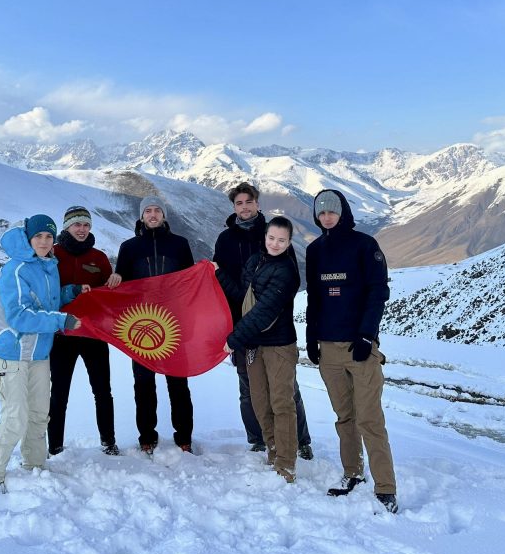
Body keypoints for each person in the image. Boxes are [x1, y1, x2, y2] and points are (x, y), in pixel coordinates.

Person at [305, 189, 399, 514]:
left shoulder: (365, 245)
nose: (327, 216)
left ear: (343, 211)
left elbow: (378, 292)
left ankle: (386, 488)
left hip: (359, 346)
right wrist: (311, 337)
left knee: (370, 419)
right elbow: (315, 298)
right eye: (322, 212)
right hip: (328, 349)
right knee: (345, 417)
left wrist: (365, 336)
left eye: (332, 211)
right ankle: (353, 473)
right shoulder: (315, 250)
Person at [213, 182, 313, 459]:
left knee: (285, 388)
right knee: (249, 386)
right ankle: (259, 439)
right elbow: (225, 285)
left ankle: (300, 440)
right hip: (239, 322)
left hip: (274, 325)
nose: (244, 207)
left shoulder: (272, 234)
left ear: (258, 203)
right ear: (233, 207)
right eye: (239, 203)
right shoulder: (225, 240)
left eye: (249, 202)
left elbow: (286, 280)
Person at [0, 214, 83, 491]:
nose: (43, 241)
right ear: (29, 238)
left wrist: (70, 292)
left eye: (48, 236)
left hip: (38, 354)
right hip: (12, 354)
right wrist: (61, 321)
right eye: (38, 236)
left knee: (39, 414)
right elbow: (20, 316)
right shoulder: (16, 269)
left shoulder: (48, 266)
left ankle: (35, 466)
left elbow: (44, 300)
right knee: (15, 417)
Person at [221, 216, 301, 482]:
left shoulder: (286, 270)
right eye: (271, 238)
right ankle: (273, 451)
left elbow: (263, 312)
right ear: (265, 237)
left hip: (278, 346)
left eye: (281, 240)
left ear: (289, 242)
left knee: (281, 404)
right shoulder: (256, 261)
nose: (275, 244)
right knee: (260, 402)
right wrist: (217, 273)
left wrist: (234, 339)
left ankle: (286, 464)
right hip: (255, 346)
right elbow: (245, 298)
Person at [115, 195, 195, 454]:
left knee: (178, 383)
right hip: (140, 326)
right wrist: (116, 276)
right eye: (147, 211)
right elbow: (123, 286)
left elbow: (191, 284)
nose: (152, 215)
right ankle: (147, 435)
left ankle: (184, 436)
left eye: (157, 210)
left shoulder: (180, 245)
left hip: (174, 324)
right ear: (141, 216)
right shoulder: (128, 248)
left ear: (164, 215)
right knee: (143, 383)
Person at [48, 205, 122, 456]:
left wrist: (115, 281)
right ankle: (55, 446)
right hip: (62, 335)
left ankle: (109, 442)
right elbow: (46, 294)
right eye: (77, 224)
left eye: (86, 224)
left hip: (93, 335)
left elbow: (110, 296)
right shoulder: (51, 255)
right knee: (59, 393)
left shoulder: (99, 258)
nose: (81, 229)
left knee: (103, 391)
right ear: (66, 226)